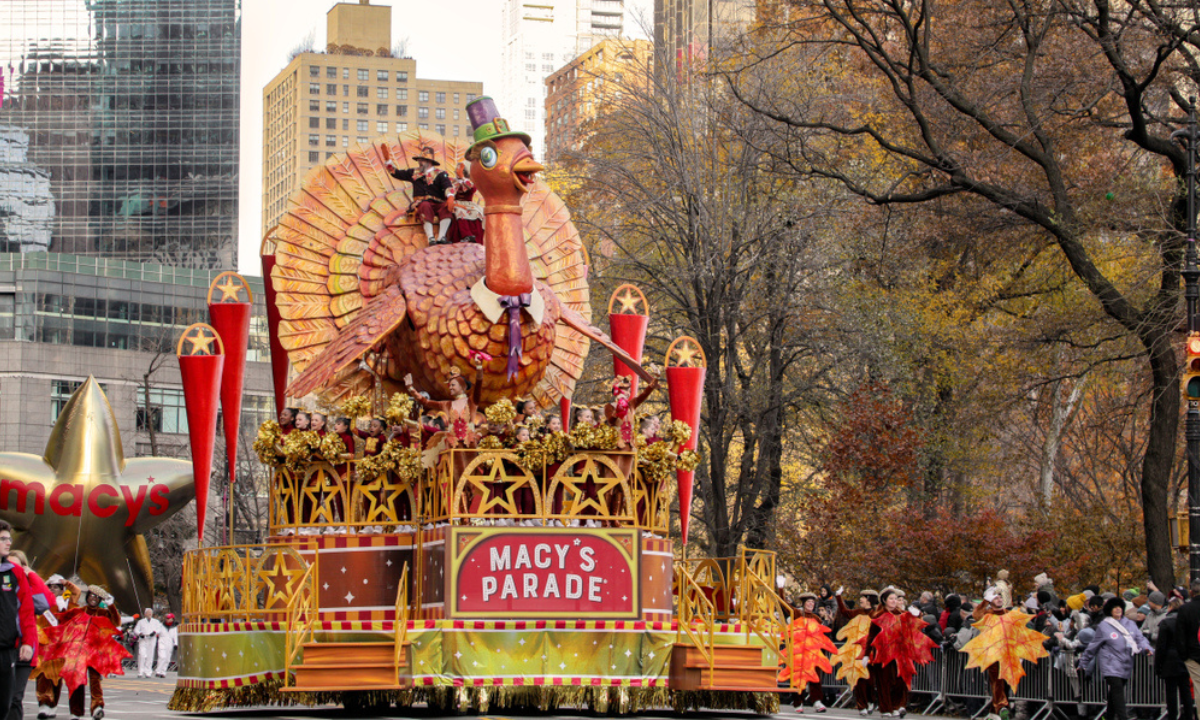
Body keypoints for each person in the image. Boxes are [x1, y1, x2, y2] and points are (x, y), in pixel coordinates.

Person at [36, 585, 127, 720]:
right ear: (87, 597)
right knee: (76, 682)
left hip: (97, 651)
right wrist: (61, 607)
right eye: (91, 595)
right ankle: (76, 712)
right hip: (78, 652)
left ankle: (97, 707)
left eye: (96, 597)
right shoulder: (79, 611)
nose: (93, 599)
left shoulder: (103, 613)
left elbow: (116, 621)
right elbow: (62, 620)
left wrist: (111, 606)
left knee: (95, 680)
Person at [1079, 596, 1152, 720]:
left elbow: (1140, 638)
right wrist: (1083, 663)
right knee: (1117, 690)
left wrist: (1147, 648)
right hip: (1110, 664)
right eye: (1114, 608)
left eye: (1119, 607)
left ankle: (1110, 716)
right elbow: (1093, 646)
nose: (1118, 610)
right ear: (1110, 610)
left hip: (1125, 663)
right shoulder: (1104, 626)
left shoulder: (1130, 624)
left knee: (1114, 693)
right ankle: (1123, 717)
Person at [6, 551, 50, 720]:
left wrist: (31, 575)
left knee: (15, 698)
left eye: (17, 566)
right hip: (5, 648)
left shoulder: (30, 588)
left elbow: (46, 603)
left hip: (24, 650)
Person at [0, 527, 35, 720]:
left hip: (6, 649)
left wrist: (28, 642)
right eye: (3, 538)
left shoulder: (15, 573)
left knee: (5, 704)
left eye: (9, 538)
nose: (8, 542)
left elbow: (27, 611)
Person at [385, 150, 453, 245]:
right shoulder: (414, 172)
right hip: (421, 202)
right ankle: (430, 238)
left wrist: (450, 197)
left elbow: (447, 185)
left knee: (445, 207)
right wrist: (388, 161)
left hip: (438, 202)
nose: (419, 162)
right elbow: (396, 173)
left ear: (429, 162)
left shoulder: (441, 174)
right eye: (419, 160)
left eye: (422, 160)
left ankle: (442, 237)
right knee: (425, 206)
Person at [790, 591, 829, 714]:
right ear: (804, 603)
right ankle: (798, 702)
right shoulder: (797, 613)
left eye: (813, 602)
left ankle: (817, 701)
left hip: (813, 652)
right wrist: (780, 587)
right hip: (800, 651)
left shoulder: (816, 618)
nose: (811, 604)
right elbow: (786, 607)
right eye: (809, 602)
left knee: (815, 677)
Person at [976, 588, 1011, 720]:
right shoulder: (987, 614)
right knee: (997, 680)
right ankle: (1002, 706)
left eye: (1000, 597)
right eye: (996, 598)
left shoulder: (1007, 613)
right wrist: (985, 601)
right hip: (992, 653)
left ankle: (993, 712)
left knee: (1005, 682)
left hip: (1007, 653)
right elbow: (976, 615)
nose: (1000, 599)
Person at [1155, 601, 1193, 720]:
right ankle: (1188, 715)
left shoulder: (1166, 623)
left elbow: (1161, 646)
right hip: (1185, 659)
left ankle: (1172, 716)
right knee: (1185, 691)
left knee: (1171, 692)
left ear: (1170, 607)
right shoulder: (1187, 623)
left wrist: (1158, 665)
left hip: (1169, 661)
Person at [1174, 579, 1200, 703]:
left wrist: (1184, 655)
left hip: (1193, 655)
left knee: (1199, 688)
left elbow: (1180, 634)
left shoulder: (1185, 609)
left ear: (1191, 592)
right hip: (1193, 652)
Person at [446, 162, 483, 244]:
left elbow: (472, 188)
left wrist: (462, 178)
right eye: (457, 170)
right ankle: (466, 235)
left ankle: (477, 238)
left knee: (477, 213)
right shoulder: (453, 182)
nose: (457, 171)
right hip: (457, 203)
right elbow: (449, 191)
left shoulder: (469, 182)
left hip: (469, 204)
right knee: (460, 211)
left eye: (459, 170)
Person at [132, 609, 165, 678]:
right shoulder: (141, 622)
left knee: (150, 656)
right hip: (143, 639)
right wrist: (139, 634)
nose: (149, 614)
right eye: (148, 613)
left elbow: (159, 629)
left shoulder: (156, 622)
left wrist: (155, 632)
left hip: (152, 639)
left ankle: (148, 672)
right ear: (145, 614)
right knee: (142, 655)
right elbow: (136, 630)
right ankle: (140, 671)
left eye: (150, 613)